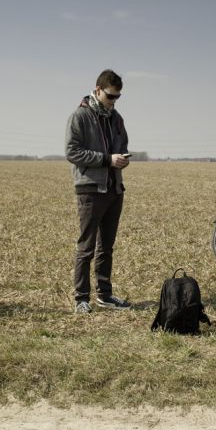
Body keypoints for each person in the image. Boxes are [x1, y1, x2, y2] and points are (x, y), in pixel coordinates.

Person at [65, 69, 132, 314]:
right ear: (97, 90)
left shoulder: (117, 119)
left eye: (118, 97)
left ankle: (105, 294)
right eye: (110, 96)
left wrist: (122, 158)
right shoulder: (79, 117)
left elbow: (122, 146)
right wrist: (106, 160)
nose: (114, 101)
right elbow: (72, 152)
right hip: (90, 190)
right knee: (86, 247)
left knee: (107, 246)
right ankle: (81, 298)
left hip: (115, 188)